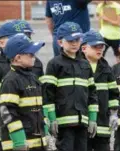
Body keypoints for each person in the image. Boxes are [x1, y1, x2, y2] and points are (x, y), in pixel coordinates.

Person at [0, 20, 45, 151]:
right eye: (20, 36)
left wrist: (45, 119)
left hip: (34, 128)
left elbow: (43, 93)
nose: (26, 39)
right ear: (1, 42)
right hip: (9, 125)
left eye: (28, 36)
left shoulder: (35, 63)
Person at [42, 22, 98, 151]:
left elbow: (92, 94)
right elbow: (48, 95)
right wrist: (52, 119)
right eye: (70, 40)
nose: (74, 43)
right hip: (63, 122)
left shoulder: (85, 65)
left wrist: (93, 118)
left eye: (77, 39)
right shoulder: (54, 64)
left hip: (82, 122)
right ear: (60, 42)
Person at [0, 33, 47, 151]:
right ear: (18, 58)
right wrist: (19, 140)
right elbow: (7, 112)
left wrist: (44, 124)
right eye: (30, 54)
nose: (34, 57)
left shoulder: (33, 77)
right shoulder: (10, 81)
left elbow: (39, 106)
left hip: (37, 143)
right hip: (19, 145)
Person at [81, 30, 119, 151]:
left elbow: (113, 93)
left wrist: (113, 114)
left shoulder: (106, 68)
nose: (100, 49)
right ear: (84, 48)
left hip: (102, 121)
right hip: (82, 123)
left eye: (102, 46)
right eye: (95, 46)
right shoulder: (76, 66)